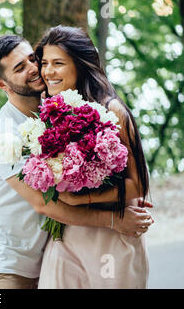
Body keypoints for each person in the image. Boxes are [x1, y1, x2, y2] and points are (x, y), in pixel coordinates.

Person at [0, 34, 154, 289]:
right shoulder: (3, 134)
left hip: (46, 255)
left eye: (33, 59)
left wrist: (119, 194)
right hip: (7, 265)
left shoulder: (57, 109)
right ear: (2, 84)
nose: (36, 69)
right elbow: (44, 205)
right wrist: (114, 219)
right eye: (20, 68)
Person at [34, 25, 151, 288]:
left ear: (81, 64)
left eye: (58, 63)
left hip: (113, 233)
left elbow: (139, 184)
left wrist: (79, 199)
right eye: (45, 63)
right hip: (66, 235)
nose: (48, 72)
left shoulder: (113, 109)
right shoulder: (49, 110)